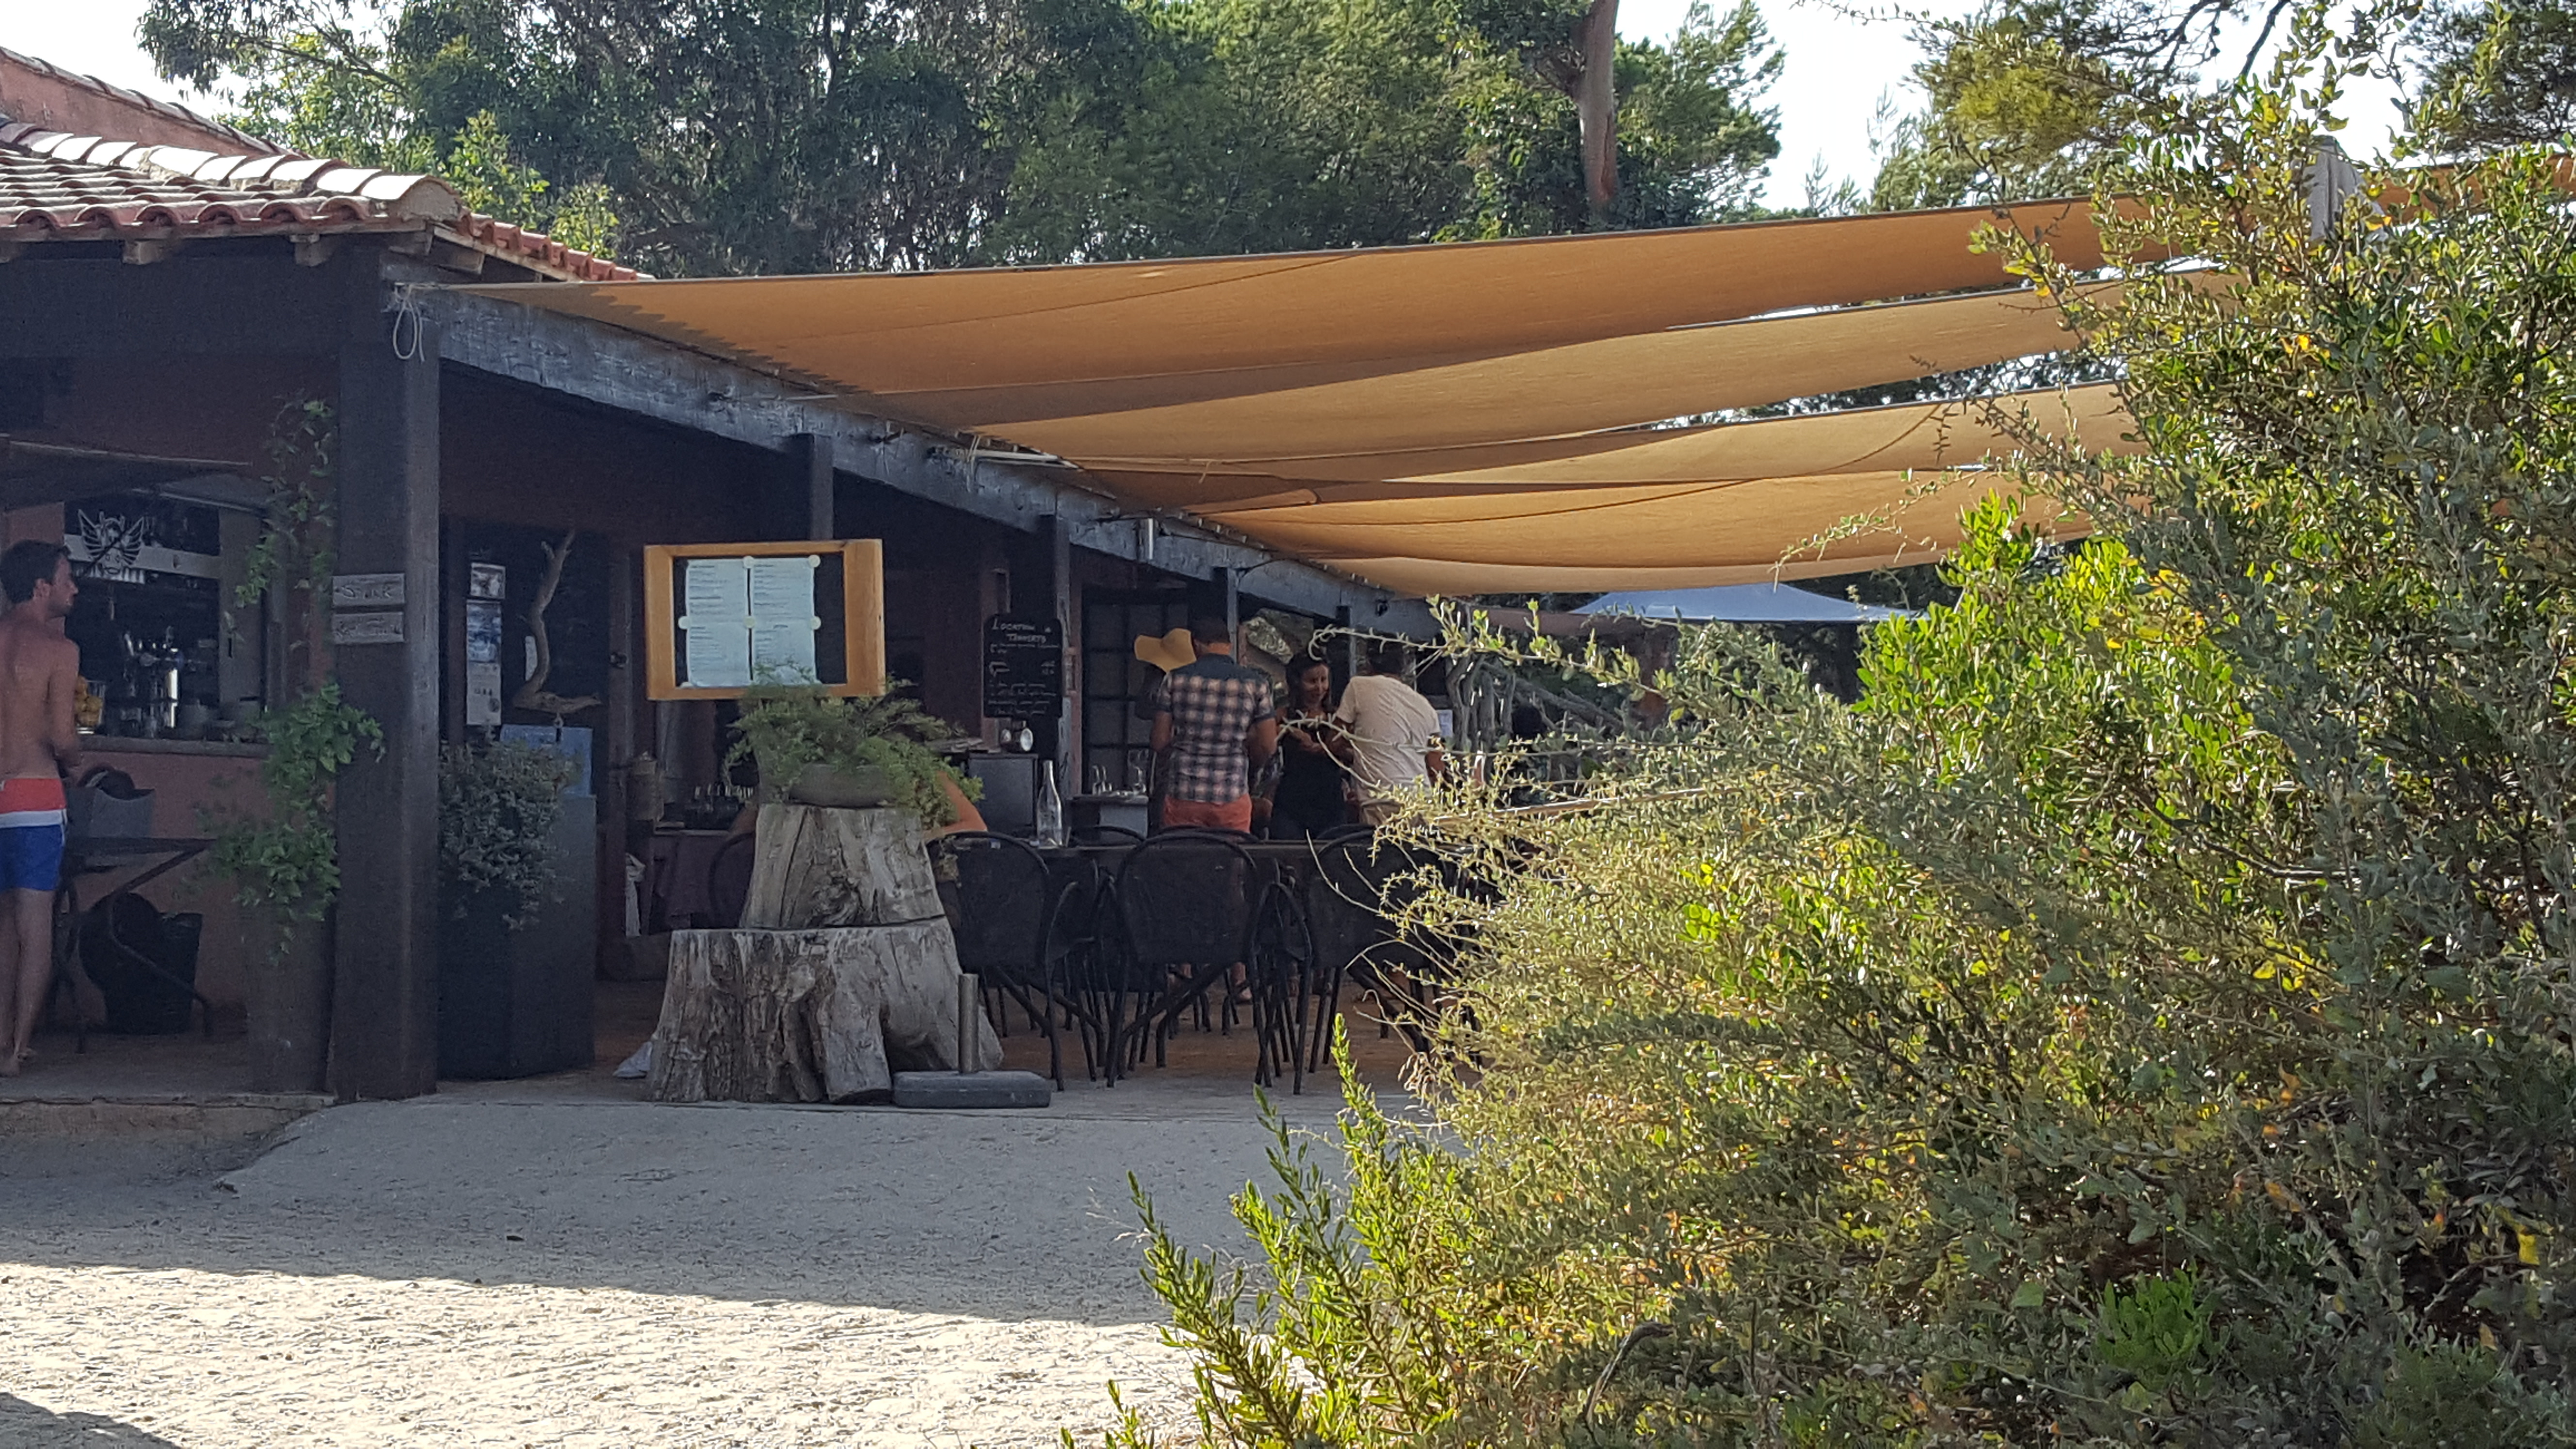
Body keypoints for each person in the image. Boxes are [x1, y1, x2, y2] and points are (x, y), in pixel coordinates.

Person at [0, 542, 80, 1075]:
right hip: (34, 794)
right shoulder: (59, 648)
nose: (75, 588)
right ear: (40, 586)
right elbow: (62, 735)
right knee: (35, 925)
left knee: (3, 925)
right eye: (66, 578)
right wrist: (77, 758)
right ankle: (17, 1049)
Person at [1150, 613, 1278, 834]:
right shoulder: (1256, 684)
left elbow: (1159, 741)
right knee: (1231, 853)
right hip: (1232, 795)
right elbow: (1268, 745)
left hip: (1184, 794)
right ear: (1229, 646)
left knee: (1183, 853)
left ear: (1196, 644)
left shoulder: (1174, 679)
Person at [1334, 640, 1442, 828]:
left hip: (1380, 800)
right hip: (1421, 802)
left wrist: (1360, 753)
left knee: (1380, 847)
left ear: (1368, 662)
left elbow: (1334, 742)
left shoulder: (1358, 686)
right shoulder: (1425, 706)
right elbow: (1437, 768)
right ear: (1403, 667)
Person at [1266, 654, 1348, 839]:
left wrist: (1325, 749)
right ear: (1297, 682)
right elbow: (1264, 738)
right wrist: (1289, 729)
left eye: (1324, 680)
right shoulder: (1283, 715)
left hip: (1331, 803)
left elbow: (1354, 753)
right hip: (1292, 802)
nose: (1319, 688)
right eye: (1312, 681)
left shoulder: (1337, 717)